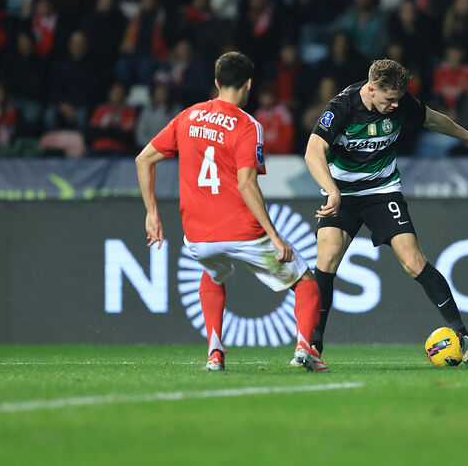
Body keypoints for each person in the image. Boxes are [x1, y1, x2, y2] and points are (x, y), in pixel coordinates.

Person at [135, 51, 327, 372]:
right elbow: (247, 185)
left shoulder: (188, 116)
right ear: (249, 84)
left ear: (215, 82)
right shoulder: (248, 126)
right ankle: (304, 350)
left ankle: (214, 353)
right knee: (305, 281)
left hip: (197, 235)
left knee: (212, 273)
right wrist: (274, 235)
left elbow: (144, 159)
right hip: (241, 232)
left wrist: (151, 213)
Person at [303, 59, 468, 359]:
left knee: (414, 261)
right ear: (371, 89)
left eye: (398, 99)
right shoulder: (341, 107)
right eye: (389, 99)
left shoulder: (399, 103)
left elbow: (432, 119)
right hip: (343, 191)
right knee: (326, 259)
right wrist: (333, 189)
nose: (394, 105)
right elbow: (313, 152)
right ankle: (313, 346)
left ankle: (465, 338)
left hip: (381, 189)